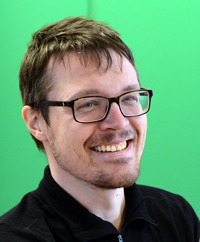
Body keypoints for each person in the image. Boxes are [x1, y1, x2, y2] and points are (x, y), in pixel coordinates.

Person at [0, 17, 199, 242]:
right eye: (88, 103)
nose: (120, 121)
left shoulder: (176, 217)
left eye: (129, 97)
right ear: (36, 122)